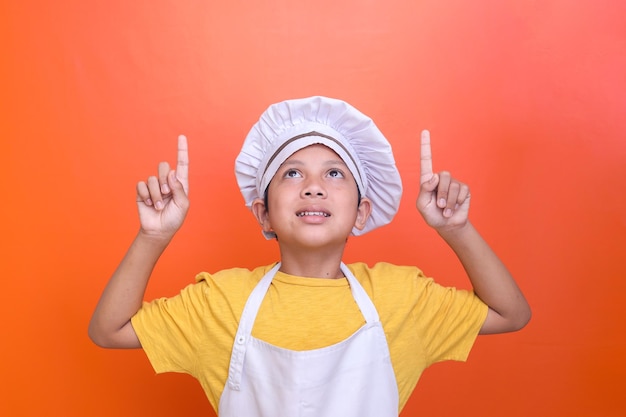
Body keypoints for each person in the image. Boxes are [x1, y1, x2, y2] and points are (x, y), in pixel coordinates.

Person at [88, 96, 531, 417]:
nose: (313, 186)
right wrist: (153, 236)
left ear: (362, 212)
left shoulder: (401, 297)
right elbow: (108, 331)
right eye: (292, 173)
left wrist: (455, 229)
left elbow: (510, 313)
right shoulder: (221, 301)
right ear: (263, 214)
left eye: (334, 173)